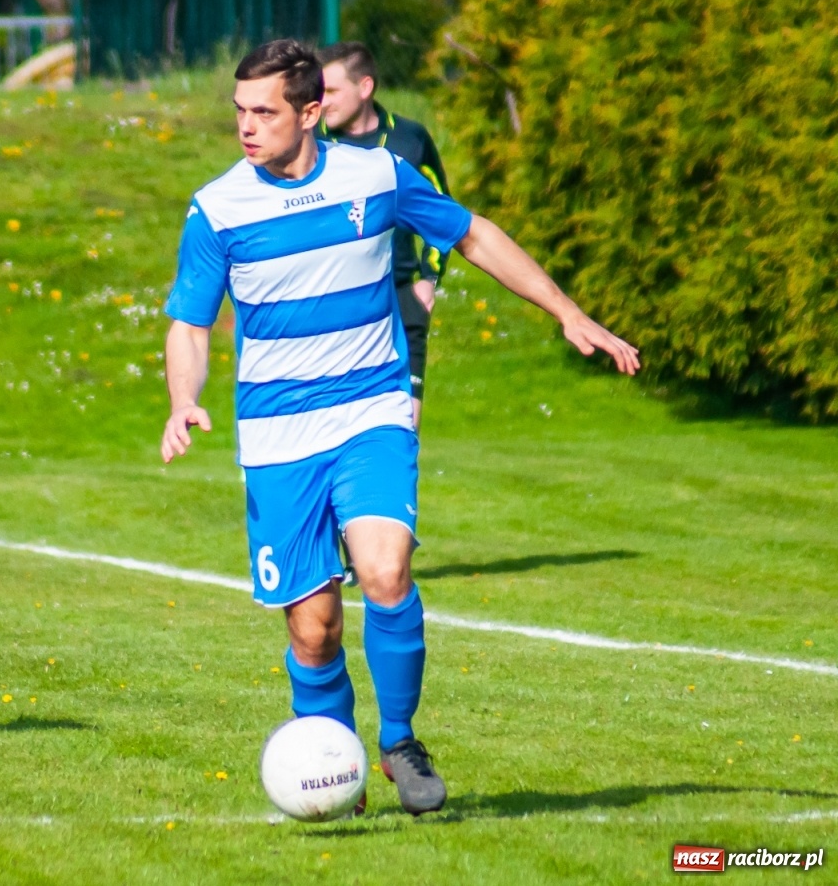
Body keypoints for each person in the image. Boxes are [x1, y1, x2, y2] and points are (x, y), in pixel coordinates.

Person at [160, 39, 638, 815]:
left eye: (264, 112)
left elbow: (472, 233)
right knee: (314, 631)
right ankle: (333, 763)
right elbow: (189, 322)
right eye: (239, 111)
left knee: (386, 573)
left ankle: (400, 741)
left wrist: (567, 311)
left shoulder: (376, 175)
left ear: (311, 112)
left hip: (371, 411)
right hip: (279, 438)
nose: (246, 126)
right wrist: (184, 399)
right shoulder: (218, 208)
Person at [318, 41, 451, 427]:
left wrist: (428, 280)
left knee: (405, 428)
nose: (322, 102)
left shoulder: (410, 139)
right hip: (336, 303)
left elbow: (442, 213)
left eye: (332, 91)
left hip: (401, 297)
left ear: (365, 87)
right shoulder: (312, 146)